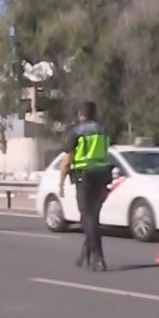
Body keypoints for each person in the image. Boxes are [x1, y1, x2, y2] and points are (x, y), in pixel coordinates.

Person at [56, 101, 111, 272]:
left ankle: (98, 257)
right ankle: (84, 256)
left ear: (80, 113)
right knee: (93, 217)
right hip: (102, 176)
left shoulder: (76, 132)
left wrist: (61, 182)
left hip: (84, 177)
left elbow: (67, 160)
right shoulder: (103, 130)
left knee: (87, 217)